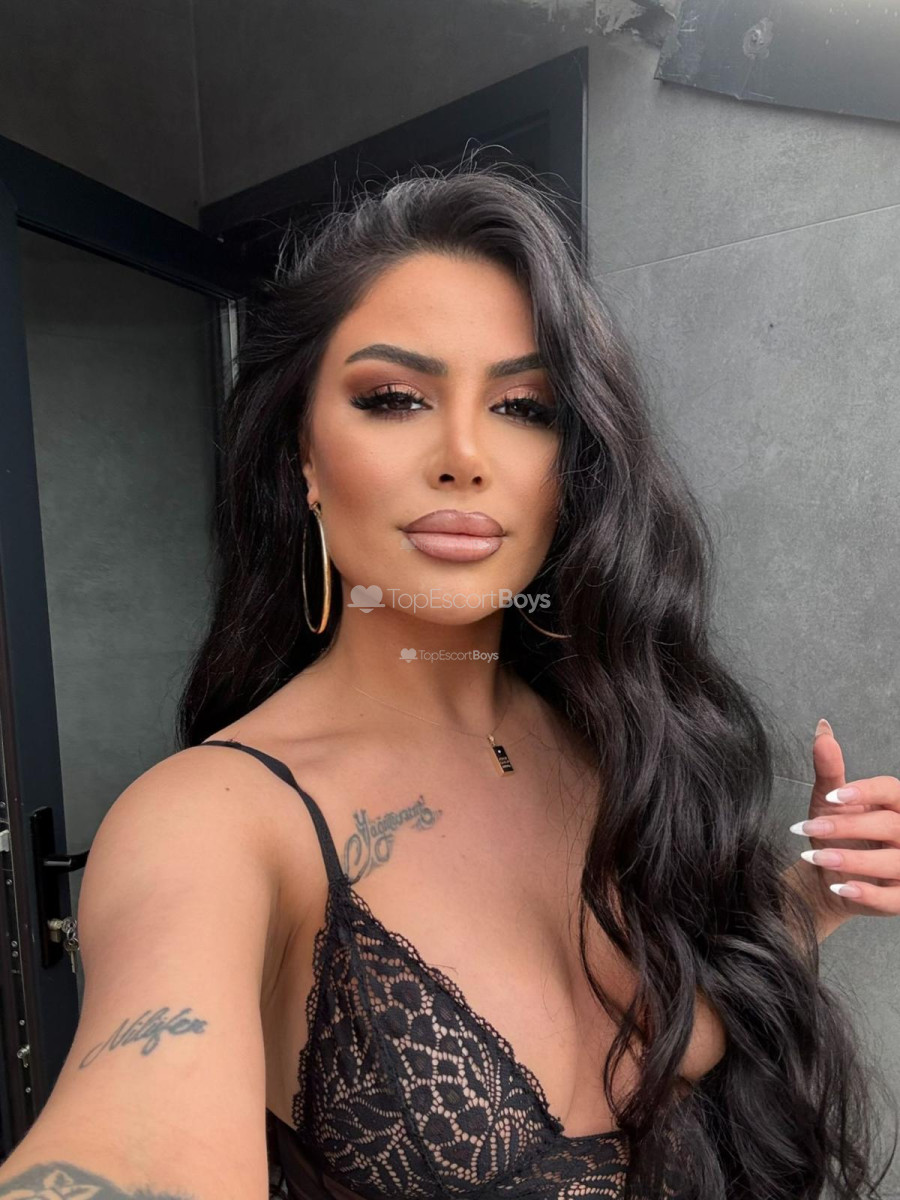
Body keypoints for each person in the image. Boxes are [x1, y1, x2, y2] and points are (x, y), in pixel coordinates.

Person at [1, 162, 896, 1200]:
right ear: (303, 457)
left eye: (523, 407)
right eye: (393, 399)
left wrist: (807, 904)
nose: (465, 455)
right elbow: (131, 1147)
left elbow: (679, 1034)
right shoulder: (215, 822)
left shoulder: (619, 740)